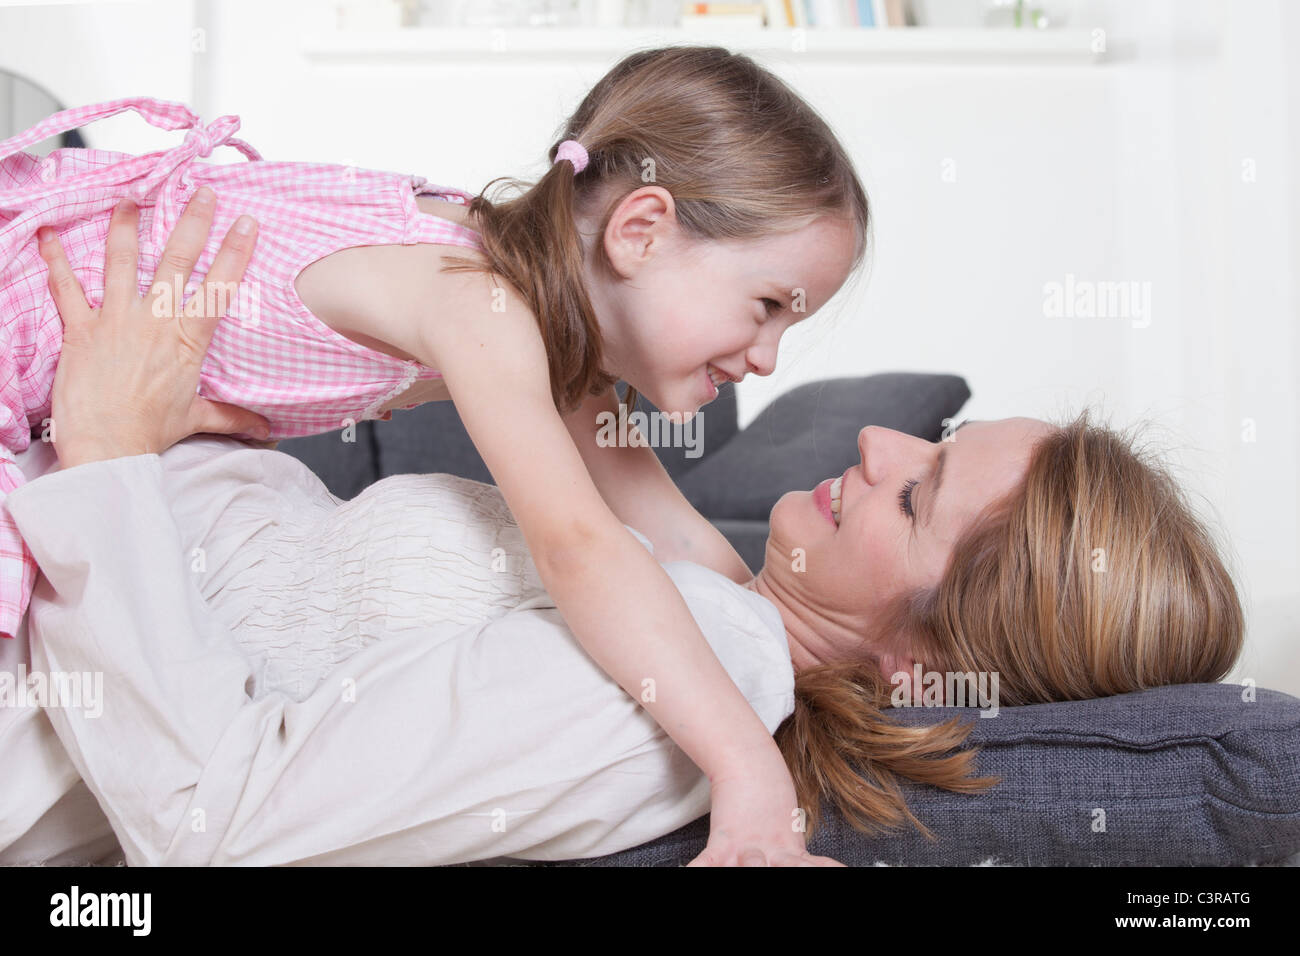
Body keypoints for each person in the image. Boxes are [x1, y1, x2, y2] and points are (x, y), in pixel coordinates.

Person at [3, 190, 1245, 866]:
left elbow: (220, 820)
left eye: (918, 493)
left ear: (926, 663)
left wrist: (111, 450)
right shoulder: (695, 594)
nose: (877, 447)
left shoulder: (697, 684)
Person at [0, 46, 869, 864]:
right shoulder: (481, 306)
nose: (766, 357)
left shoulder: (553, 336)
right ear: (639, 230)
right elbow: (580, 548)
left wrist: (790, 655)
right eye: (765, 306)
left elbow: (676, 544)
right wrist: (745, 768)